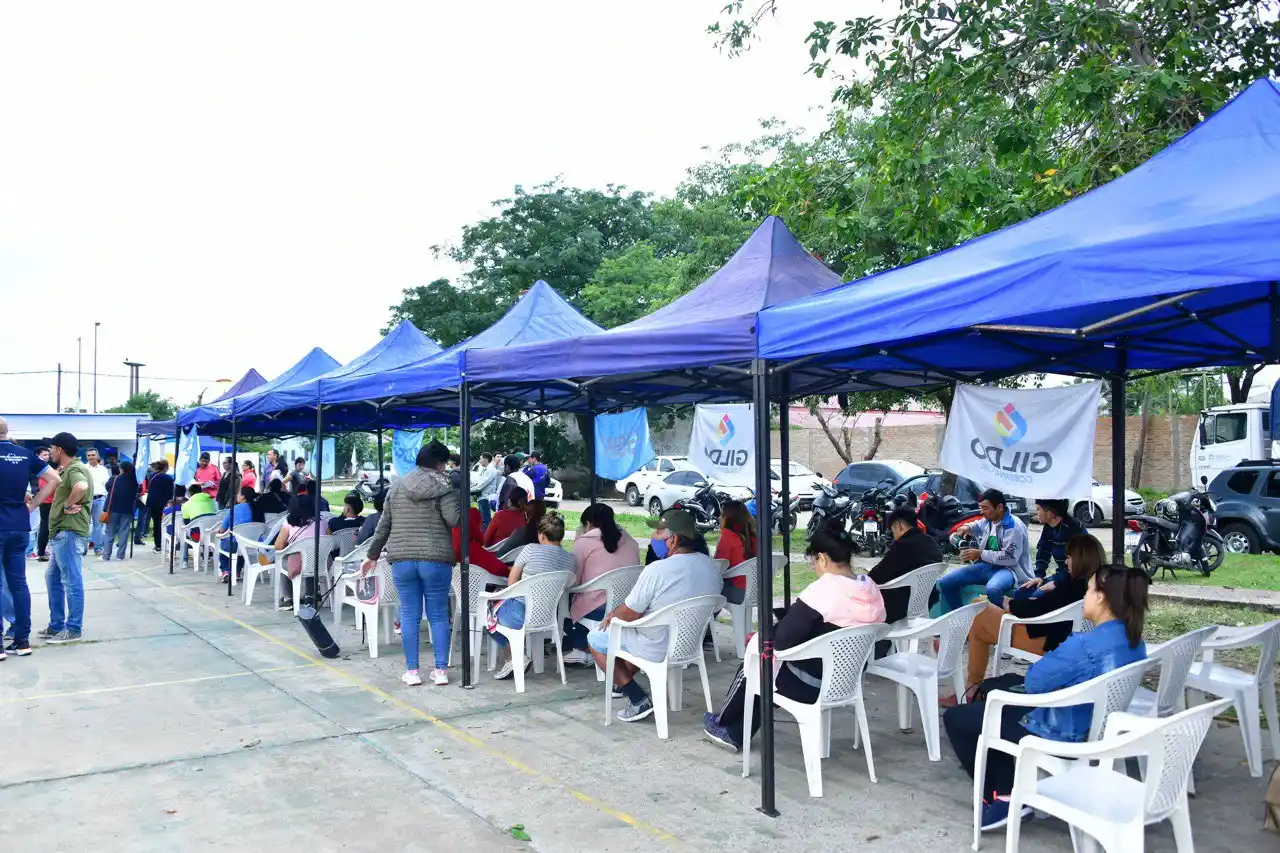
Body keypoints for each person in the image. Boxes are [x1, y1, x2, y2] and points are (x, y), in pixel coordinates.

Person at [943, 562, 1149, 831]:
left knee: (959, 718)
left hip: (1059, 729)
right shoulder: (1134, 640)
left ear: (1101, 596)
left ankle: (1002, 797)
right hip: (1095, 724)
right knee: (996, 698)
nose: (1084, 597)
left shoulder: (1085, 645)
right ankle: (1010, 787)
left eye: (1088, 591)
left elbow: (1034, 681)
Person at [702, 529, 887, 751]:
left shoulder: (824, 590)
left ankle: (724, 724)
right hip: (847, 679)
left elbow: (782, 642)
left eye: (814, 562)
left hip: (809, 684)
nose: (815, 568)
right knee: (768, 666)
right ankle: (736, 731)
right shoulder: (870, 588)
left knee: (757, 661)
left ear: (822, 558)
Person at [587, 509, 722, 723]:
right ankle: (623, 680)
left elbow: (630, 613)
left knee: (595, 638)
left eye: (658, 531)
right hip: (688, 644)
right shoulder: (711, 567)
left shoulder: (657, 570)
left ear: (673, 539)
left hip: (655, 645)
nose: (653, 536)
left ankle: (637, 698)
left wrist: (611, 615)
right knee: (637, 635)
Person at [362, 440, 461, 688]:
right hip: (436, 559)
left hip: (402, 559)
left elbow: (383, 525)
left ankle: (412, 672)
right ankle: (440, 671)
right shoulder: (445, 485)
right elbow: (454, 520)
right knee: (438, 615)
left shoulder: (396, 487)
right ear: (440, 464)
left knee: (409, 615)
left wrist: (372, 555)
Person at [961, 532, 1106, 694]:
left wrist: (1008, 603)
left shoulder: (1071, 587)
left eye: (1069, 557)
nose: (1065, 562)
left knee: (979, 611)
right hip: (1065, 639)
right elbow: (1046, 605)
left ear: (1080, 560)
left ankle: (970, 686)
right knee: (979, 620)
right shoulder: (1095, 585)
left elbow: (1034, 610)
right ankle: (971, 686)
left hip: (1044, 641)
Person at [487, 512, 577, 679]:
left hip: (519, 613)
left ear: (541, 535)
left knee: (486, 614)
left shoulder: (529, 550)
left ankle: (514, 656)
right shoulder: (571, 559)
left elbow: (511, 583)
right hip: (550, 616)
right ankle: (517, 658)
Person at [0, 419, 59, 657]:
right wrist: (33, 504)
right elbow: (55, 479)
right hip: (19, 525)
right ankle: (22, 640)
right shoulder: (24, 454)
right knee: (19, 583)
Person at [563, 502, 641, 665]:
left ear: (588, 524)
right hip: (628, 606)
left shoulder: (584, 542)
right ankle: (589, 647)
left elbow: (573, 581)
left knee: (564, 602)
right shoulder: (631, 540)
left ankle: (581, 648)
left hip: (600, 609)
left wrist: (579, 539)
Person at [938, 489, 1031, 611]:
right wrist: (967, 527)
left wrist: (979, 553)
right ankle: (961, 620)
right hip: (987, 566)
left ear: (999, 507)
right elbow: (978, 524)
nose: (982, 512)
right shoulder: (990, 520)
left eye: (985, 508)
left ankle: (1007, 619)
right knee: (945, 583)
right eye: (980, 507)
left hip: (1009, 570)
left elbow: (1010, 558)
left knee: (993, 589)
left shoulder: (1014, 526)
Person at [43, 432, 90, 644]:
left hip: (69, 533)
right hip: (62, 533)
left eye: (51, 448)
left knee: (71, 581)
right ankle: (56, 624)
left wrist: (69, 504)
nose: (50, 452)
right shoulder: (68, 469)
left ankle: (73, 629)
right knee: (52, 578)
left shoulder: (75, 469)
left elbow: (81, 486)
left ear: (59, 449)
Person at [868, 507, 945, 623]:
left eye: (893, 530)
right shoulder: (931, 542)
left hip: (899, 607)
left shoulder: (902, 546)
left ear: (900, 526)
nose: (893, 535)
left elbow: (876, 577)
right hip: (927, 601)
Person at [272, 494, 319, 610]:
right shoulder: (321, 523)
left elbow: (278, 546)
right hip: (320, 563)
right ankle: (310, 595)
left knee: (282, 558)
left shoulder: (289, 523)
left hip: (296, 565)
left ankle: (288, 598)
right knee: (311, 556)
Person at [1029, 499, 1084, 590]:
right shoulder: (1048, 527)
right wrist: (1039, 575)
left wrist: (1057, 584)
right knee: (1021, 593)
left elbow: (1083, 565)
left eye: (1038, 509)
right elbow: (1043, 551)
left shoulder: (1074, 528)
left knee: (1035, 597)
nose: (1036, 512)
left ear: (1049, 513)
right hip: (1061, 575)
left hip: (1075, 581)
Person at [714, 500, 756, 606]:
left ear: (728, 518)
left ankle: (704, 621)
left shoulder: (727, 535)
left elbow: (718, 566)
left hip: (738, 591)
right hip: (757, 591)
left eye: (722, 515)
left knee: (707, 590)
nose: (719, 518)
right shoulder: (754, 536)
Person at [452, 505, 509, 578]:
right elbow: (499, 569)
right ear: (474, 525)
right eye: (479, 524)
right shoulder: (470, 548)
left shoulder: (449, 546)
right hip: (484, 584)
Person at [215, 485, 256, 580]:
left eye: (238, 494)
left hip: (233, 544)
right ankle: (237, 571)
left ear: (243, 497)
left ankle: (225, 571)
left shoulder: (233, 509)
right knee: (242, 546)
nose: (236, 496)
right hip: (252, 544)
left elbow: (222, 530)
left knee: (224, 542)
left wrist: (220, 533)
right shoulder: (258, 509)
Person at [100, 461, 139, 562]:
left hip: (113, 509)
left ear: (122, 469)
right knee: (124, 533)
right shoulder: (135, 481)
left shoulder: (114, 478)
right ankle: (120, 556)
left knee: (110, 533)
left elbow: (107, 487)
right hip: (127, 510)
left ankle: (106, 555)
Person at [145, 460, 175, 552]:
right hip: (164, 505)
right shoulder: (168, 478)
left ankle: (158, 545)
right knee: (166, 524)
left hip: (153, 504)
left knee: (156, 524)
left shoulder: (152, 476)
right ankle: (165, 543)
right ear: (165, 467)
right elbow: (171, 493)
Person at [85, 447, 109, 555]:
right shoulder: (83, 468)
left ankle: (98, 548)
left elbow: (107, 485)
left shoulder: (103, 469)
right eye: (89, 455)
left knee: (98, 524)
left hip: (100, 499)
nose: (91, 457)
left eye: (93, 455)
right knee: (84, 524)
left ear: (97, 456)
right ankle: (83, 548)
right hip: (86, 499)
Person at [471, 452, 500, 529]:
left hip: (485, 498)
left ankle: (486, 539)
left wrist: (467, 490)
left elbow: (480, 486)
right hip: (482, 497)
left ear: (486, 459)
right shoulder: (485, 469)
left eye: (481, 459)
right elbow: (478, 482)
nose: (480, 461)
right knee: (484, 520)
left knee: (485, 521)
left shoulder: (489, 470)